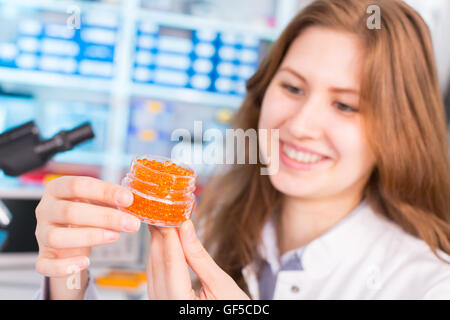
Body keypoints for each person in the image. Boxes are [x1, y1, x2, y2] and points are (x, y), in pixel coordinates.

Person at [34, 0, 450, 300]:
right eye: (291, 86)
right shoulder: (211, 225)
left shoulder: (428, 286)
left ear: (399, 129)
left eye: (345, 105)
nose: (300, 125)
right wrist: (66, 279)